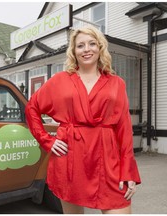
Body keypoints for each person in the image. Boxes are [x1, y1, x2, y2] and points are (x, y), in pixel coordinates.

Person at [25, 25, 141, 214]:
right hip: (70, 157)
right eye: (80, 46)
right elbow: (32, 108)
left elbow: (124, 128)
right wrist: (47, 140)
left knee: (120, 206)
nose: (86, 49)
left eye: (92, 44)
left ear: (100, 47)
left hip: (107, 159)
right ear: (73, 51)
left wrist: (128, 171)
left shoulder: (116, 83)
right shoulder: (60, 80)